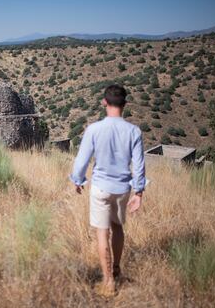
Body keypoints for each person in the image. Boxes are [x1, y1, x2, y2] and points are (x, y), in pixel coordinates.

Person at [69, 84, 146, 298]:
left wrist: (78, 180)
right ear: (125, 104)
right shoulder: (134, 131)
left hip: (100, 187)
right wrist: (138, 193)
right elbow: (139, 166)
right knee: (118, 228)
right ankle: (117, 267)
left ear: (104, 102)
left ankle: (108, 280)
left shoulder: (94, 129)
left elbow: (82, 159)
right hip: (122, 189)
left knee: (102, 232)